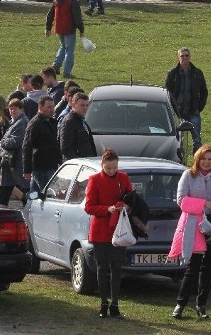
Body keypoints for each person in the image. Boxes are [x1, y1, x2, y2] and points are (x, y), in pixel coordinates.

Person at [170, 145, 211, 321]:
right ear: (198, 159)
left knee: (207, 267)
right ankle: (180, 304)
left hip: (210, 228)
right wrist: (204, 204)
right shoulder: (188, 175)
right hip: (193, 227)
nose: (207, 162)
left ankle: (201, 305)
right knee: (193, 267)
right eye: (204, 158)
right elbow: (181, 201)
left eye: (210, 159)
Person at [84, 149, 133, 319]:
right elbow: (89, 206)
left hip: (119, 229)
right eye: (108, 168)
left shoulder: (123, 178)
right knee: (102, 268)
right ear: (102, 165)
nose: (112, 171)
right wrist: (107, 209)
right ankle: (103, 303)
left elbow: (131, 199)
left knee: (117, 268)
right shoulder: (94, 179)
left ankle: (115, 304)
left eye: (114, 168)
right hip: (101, 230)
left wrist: (127, 207)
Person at [164, 47, 209, 152]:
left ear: (190, 57)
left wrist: (199, 107)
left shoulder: (197, 73)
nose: (184, 58)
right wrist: (172, 107)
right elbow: (167, 92)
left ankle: (198, 160)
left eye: (186, 55)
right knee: (177, 139)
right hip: (177, 112)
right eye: (182, 56)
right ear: (178, 57)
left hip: (193, 111)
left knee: (197, 139)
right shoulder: (172, 74)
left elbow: (204, 92)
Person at [22, 95, 61, 195]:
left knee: (35, 194)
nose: (52, 110)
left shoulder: (50, 122)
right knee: (47, 194)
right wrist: (27, 169)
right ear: (40, 107)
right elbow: (27, 146)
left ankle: (30, 208)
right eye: (49, 107)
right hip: (41, 166)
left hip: (49, 164)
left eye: (53, 106)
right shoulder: (35, 124)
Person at [45, 0, 85, 78]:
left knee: (63, 46)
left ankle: (56, 66)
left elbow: (50, 15)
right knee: (69, 50)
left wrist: (48, 28)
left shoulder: (57, 0)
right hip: (69, 29)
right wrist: (81, 30)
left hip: (59, 28)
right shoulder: (73, 1)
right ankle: (67, 72)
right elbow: (77, 18)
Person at [0, 98, 30, 206]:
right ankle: (0, 207)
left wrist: (2, 143)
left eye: (15, 109)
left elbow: (16, 141)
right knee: (6, 185)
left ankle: (29, 203)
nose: (12, 111)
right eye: (10, 109)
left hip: (16, 160)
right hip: (9, 161)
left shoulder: (21, 122)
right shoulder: (14, 121)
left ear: (21, 109)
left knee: (22, 185)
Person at [59, 92, 95, 159]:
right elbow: (65, 148)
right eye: (82, 105)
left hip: (87, 160)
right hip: (77, 164)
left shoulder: (81, 120)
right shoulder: (69, 121)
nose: (85, 108)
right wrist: (78, 161)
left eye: (87, 105)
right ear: (73, 105)